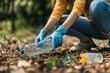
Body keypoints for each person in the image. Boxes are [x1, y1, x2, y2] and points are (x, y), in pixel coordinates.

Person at [35, 0, 110, 50]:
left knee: (97, 5)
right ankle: (87, 42)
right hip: (99, 29)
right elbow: (56, 13)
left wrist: (61, 31)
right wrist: (44, 31)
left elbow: (78, 8)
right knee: (60, 21)